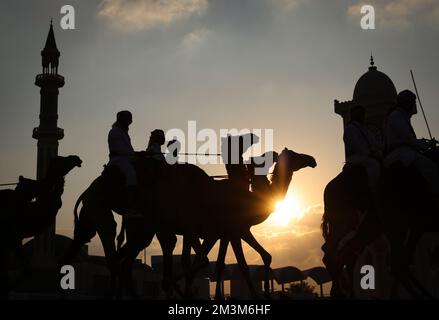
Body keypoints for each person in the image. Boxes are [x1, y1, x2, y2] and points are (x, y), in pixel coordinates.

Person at [384, 89, 439, 195]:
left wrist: (423, 142)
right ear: (406, 102)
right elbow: (408, 139)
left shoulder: (403, 116)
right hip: (400, 152)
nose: (414, 104)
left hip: (405, 149)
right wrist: (426, 144)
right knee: (431, 169)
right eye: (412, 101)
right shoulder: (396, 116)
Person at [108, 110, 141, 218]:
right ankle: (131, 207)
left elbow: (128, 149)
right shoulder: (115, 132)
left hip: (126, 158)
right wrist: (135, 154)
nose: (130, 121)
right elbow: (120, 149)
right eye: (128, 118)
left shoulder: (123, 132)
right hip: (118, 160)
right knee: (131, 174)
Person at [343, 105, 383, 187]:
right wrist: (370, 153)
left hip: (366, 155)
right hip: (356, 157)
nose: (362, 115)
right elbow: (356, 146)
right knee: (374, 165)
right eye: (360, 113)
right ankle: (373, 188)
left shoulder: (364, 128)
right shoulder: (350, 128)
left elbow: (374, 142)